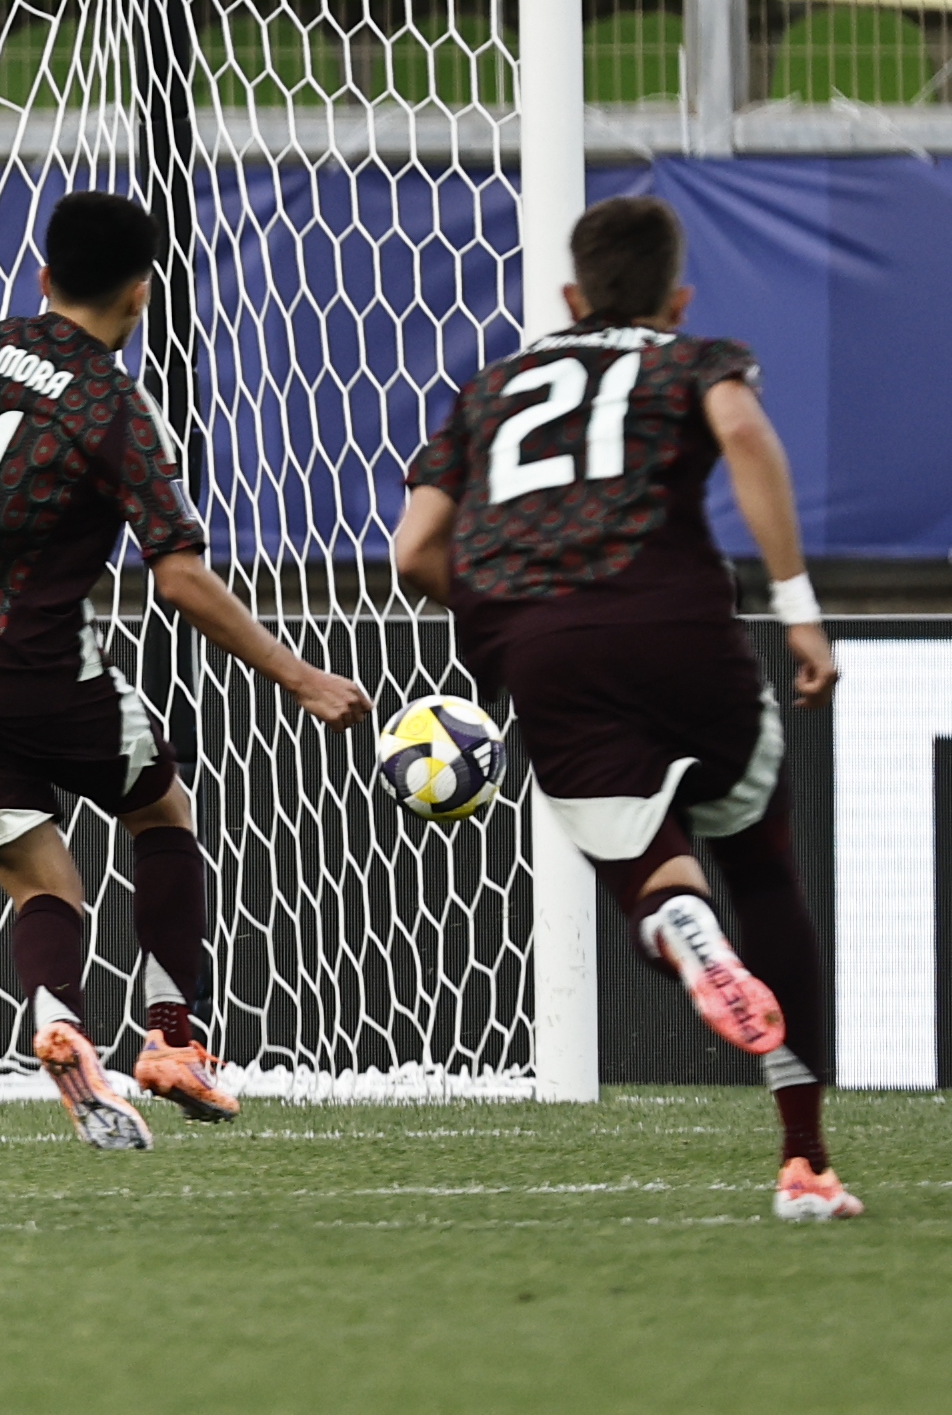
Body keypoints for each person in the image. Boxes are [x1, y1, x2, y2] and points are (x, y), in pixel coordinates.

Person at [0, 189, 369, 1150]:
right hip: (42, 668)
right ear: (143, 293)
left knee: (42, 881)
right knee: (164, 810)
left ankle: (58, 1025)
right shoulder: (117, 408)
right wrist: (299, 676)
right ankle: (173, 1043)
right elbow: (181, 580)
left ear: (43, 277)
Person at [393, 194, 857, 1221]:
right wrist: (797, 609)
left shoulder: (487, 390)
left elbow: (413, 550)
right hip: (680, 625)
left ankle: (674, 921)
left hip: (546, 652)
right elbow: (742, 430)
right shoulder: (692, 358)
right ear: (675, 298)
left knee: (649, 875)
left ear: (568, 295)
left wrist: (510, 613)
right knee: (763, 867)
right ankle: (804, 1163)